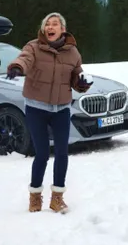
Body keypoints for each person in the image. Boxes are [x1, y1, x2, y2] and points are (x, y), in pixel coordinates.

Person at [6, 12, 92, 213]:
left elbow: (76, 76)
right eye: (47, 24)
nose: (50, 27)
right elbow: (24, 59)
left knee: (62, 153)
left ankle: (57, 198)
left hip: (61, 108)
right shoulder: (33, 47)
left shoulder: (73, 53)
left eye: (55, 24)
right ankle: (35, 197)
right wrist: (18, 67)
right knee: (42, 153)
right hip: (36, 108)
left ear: (63, 29)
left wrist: (82, 83)